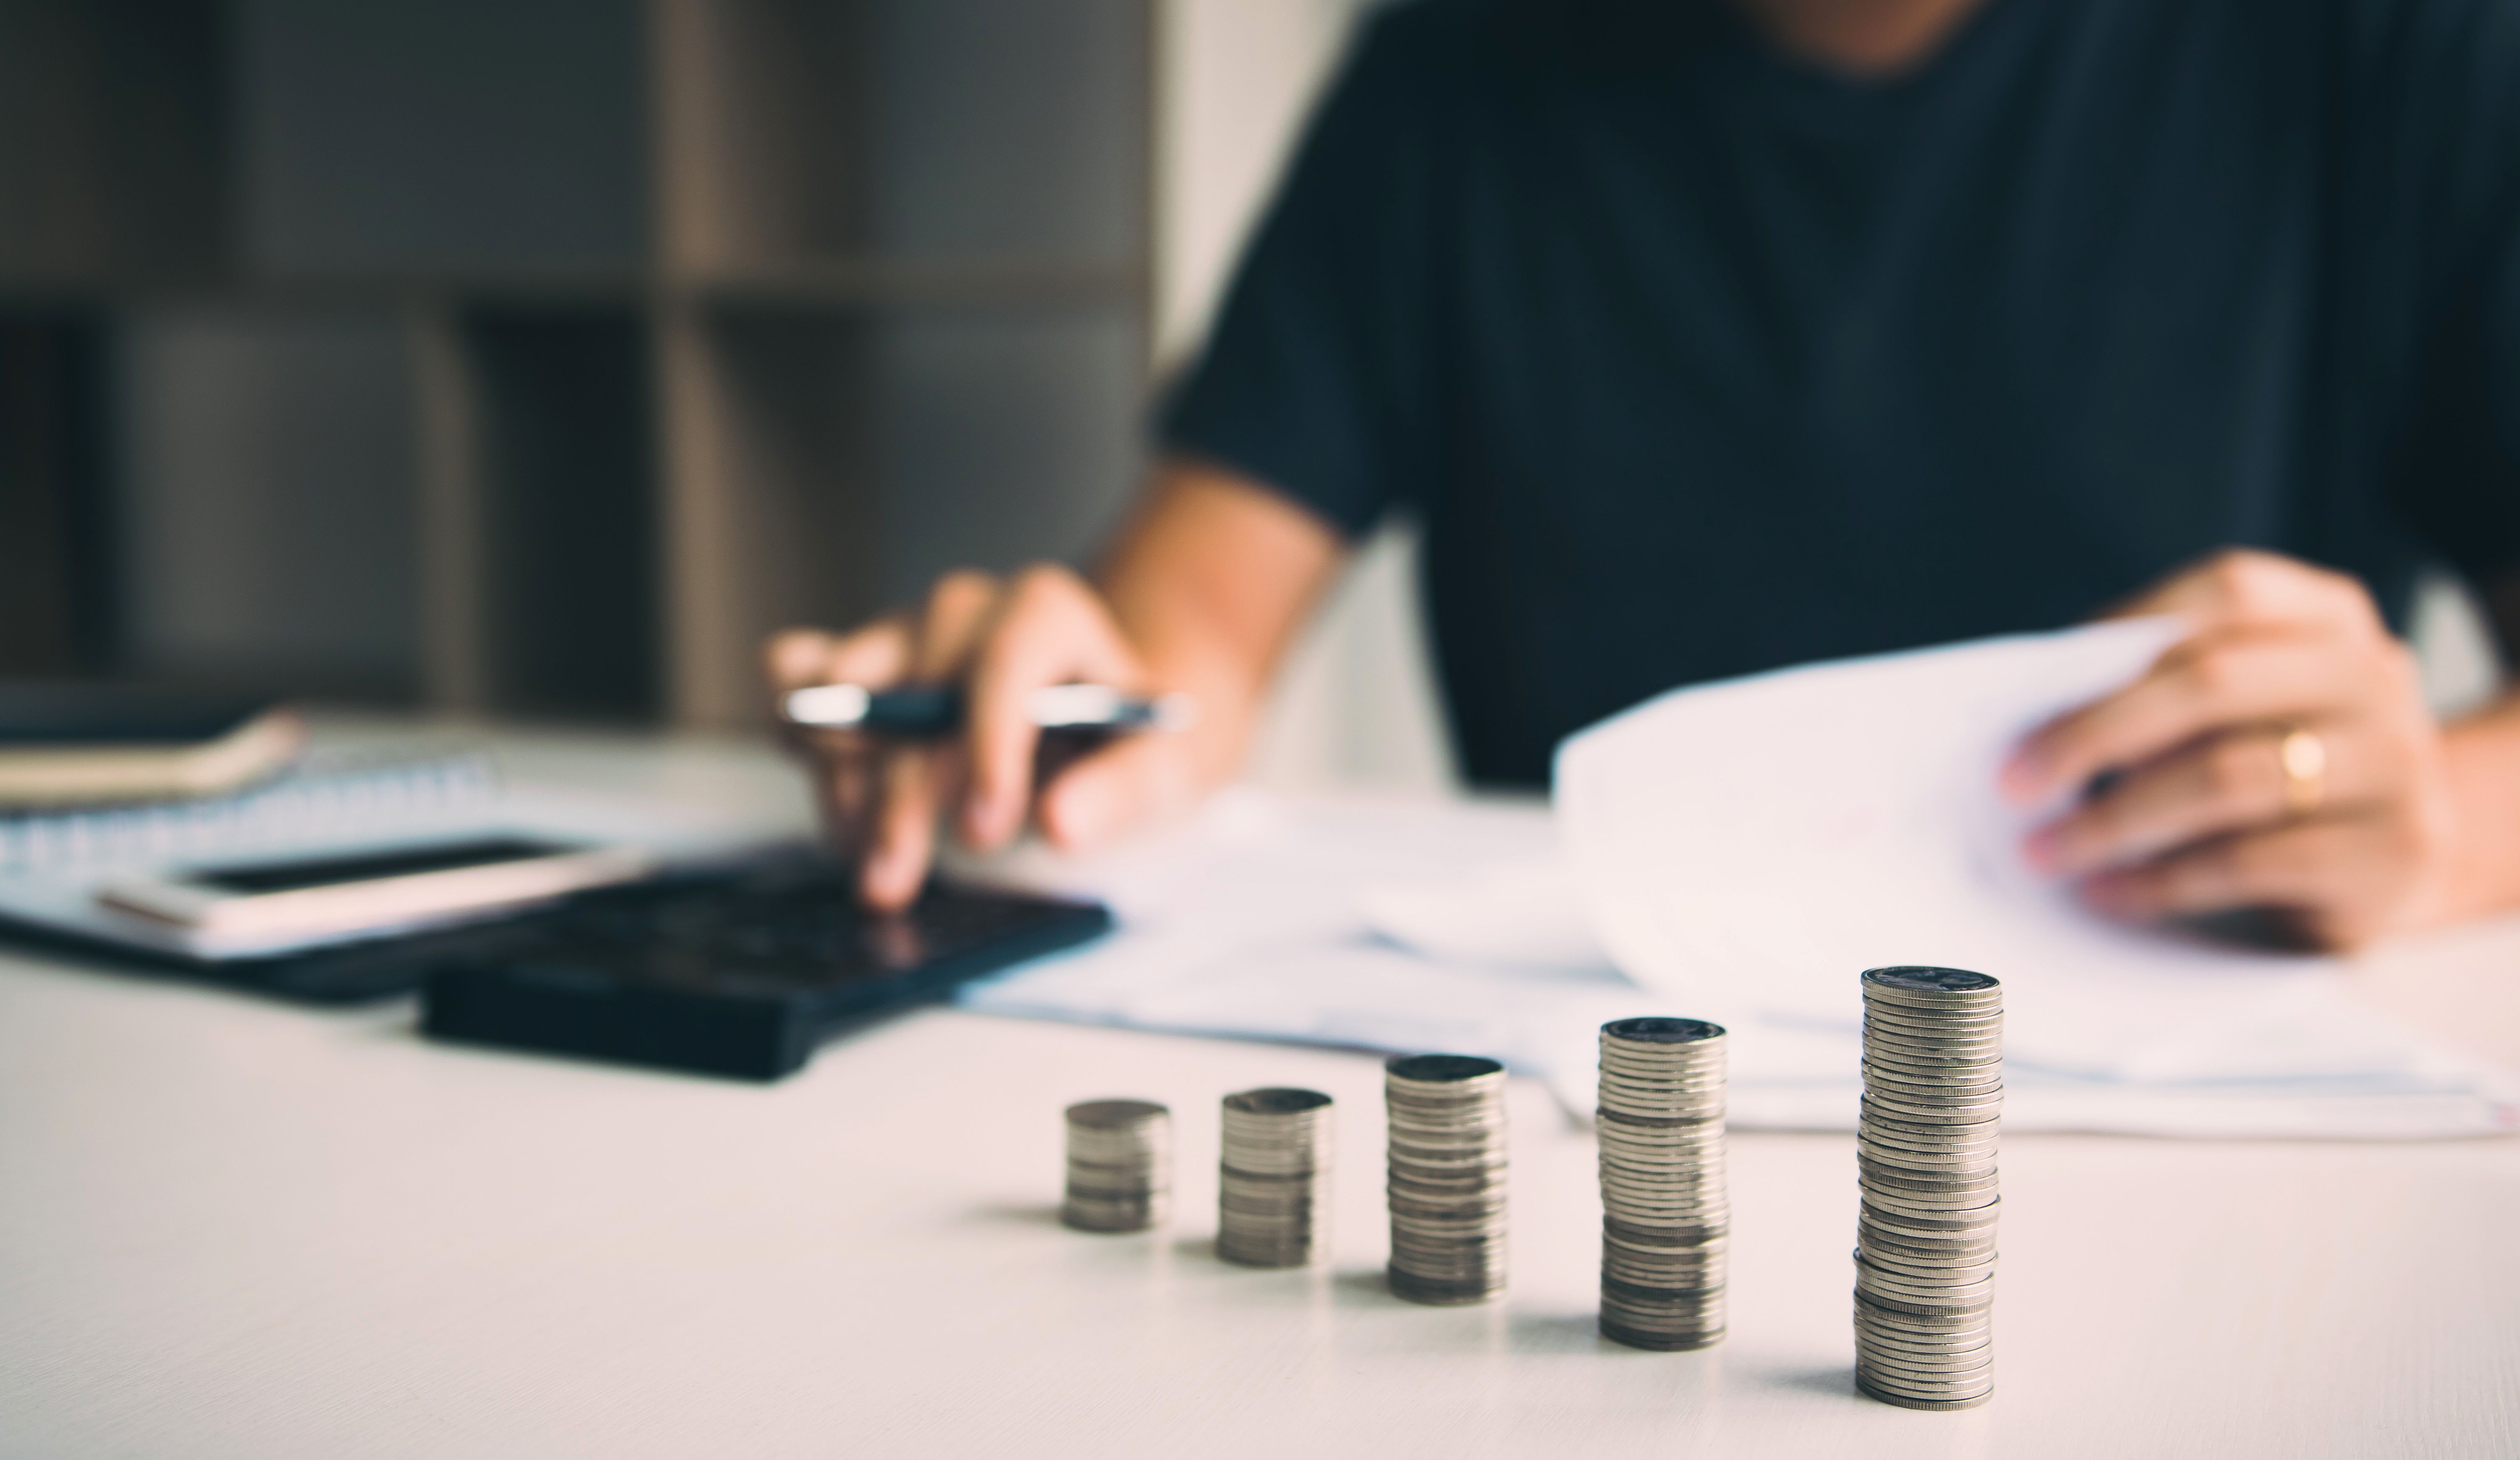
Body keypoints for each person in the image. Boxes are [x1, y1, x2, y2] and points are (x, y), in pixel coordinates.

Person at [768, 0, 2520, 951]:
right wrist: (1073, 716)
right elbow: (1193, 625)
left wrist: (2434, 825)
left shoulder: (2398, 49)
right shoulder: (1463, 70)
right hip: (1584, 1089)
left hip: (2201, 1093)